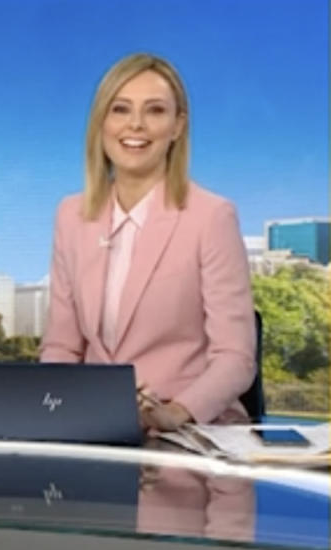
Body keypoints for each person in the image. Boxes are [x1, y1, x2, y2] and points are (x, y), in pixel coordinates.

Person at [40, 53, 255, 431]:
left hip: (190, 433)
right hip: (96, 431)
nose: (135, 125)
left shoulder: (211, 216)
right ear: (101, 123)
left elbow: (236, 358)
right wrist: (54, 407)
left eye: (154, 111)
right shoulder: (71, 215)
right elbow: (62, 347)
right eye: (120, 109)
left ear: (177, 126)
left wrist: (173, 414)